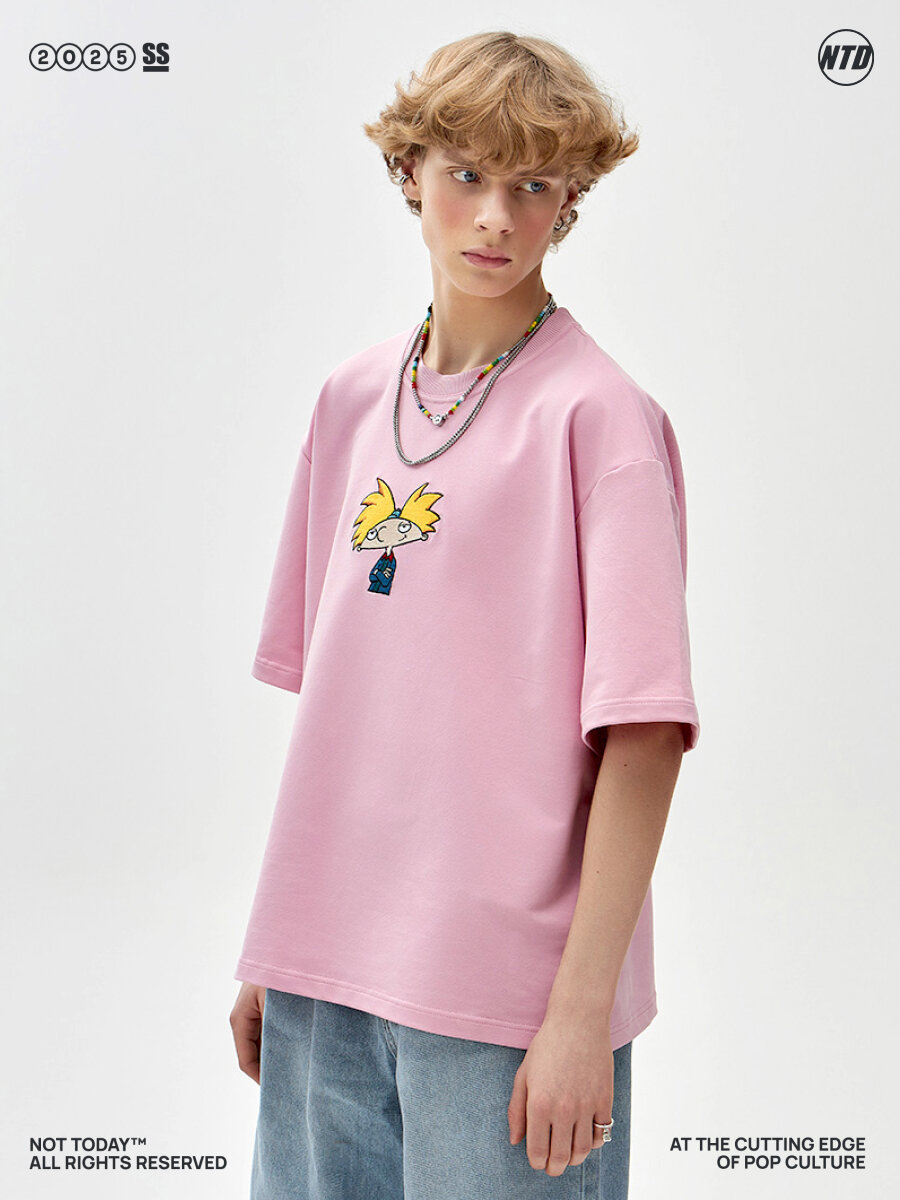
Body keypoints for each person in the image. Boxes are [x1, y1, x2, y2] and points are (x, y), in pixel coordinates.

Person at [229, 29, 700, 1200]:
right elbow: (346, 709)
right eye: (468, 175)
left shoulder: (601, 420)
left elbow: (644, 734)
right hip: (324, 980)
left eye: (533, 185)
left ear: (571, 200)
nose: (495, 216)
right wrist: (277, 947)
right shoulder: (349, 401)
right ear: (410, 173)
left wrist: (580, 1014)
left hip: (505, 1001)